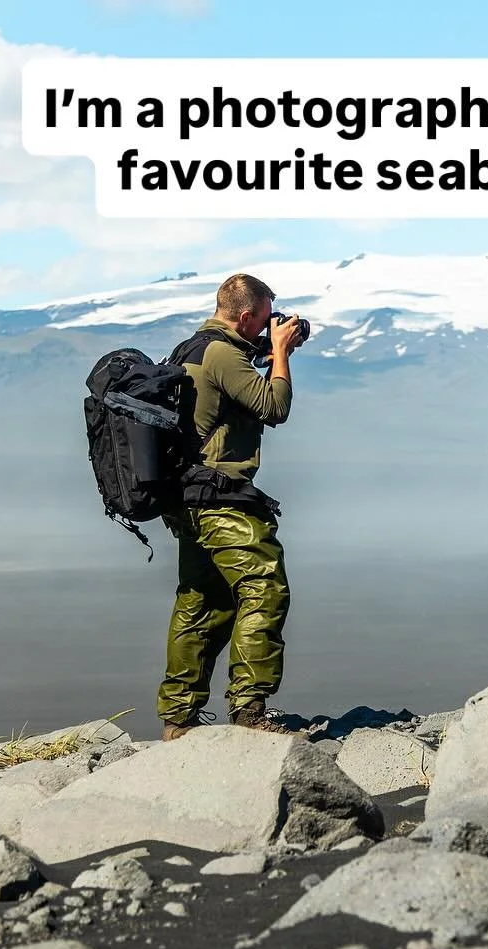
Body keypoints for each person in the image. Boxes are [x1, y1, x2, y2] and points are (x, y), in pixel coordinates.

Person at [157, 272, 306, 741]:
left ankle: (178, 720)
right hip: (221, 501)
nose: (268, 326)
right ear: (245, 315)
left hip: (188, 499)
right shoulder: (222, 354)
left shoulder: (195, 347)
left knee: (202, 602)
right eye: (264, 317)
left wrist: (272, 349)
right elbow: (273, 406)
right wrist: (279, 353)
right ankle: (249, 711)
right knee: (264, 588)